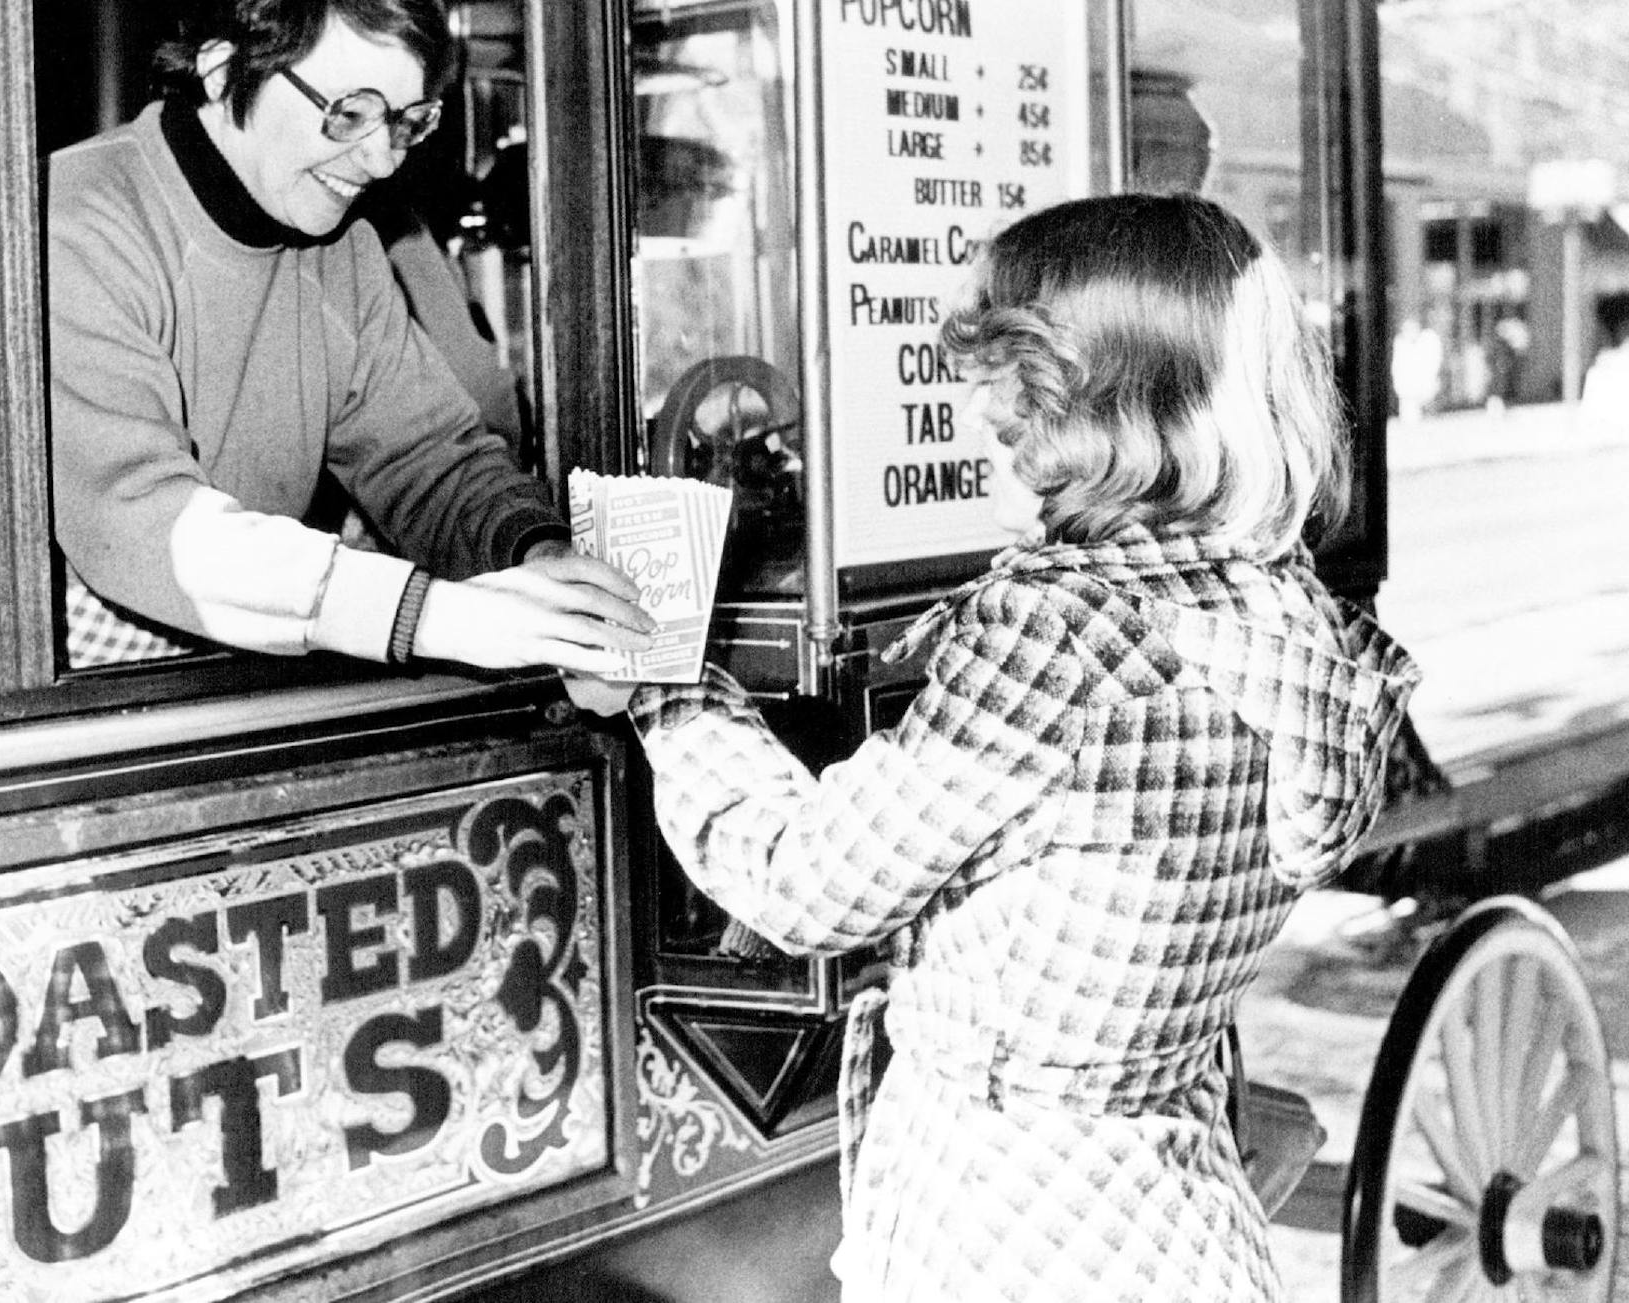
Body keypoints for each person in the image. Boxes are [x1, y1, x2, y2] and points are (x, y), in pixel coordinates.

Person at [586, 195, 1418, 1302]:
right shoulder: (1292, 619)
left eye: (1009, 372)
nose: (979, 408)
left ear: (1099, 392)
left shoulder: (1059, 629)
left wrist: (667, 694)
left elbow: (803, 883)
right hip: (1181, 1222)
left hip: (1007, 1228)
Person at [48, 0, 650, 673]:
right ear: (224, 68)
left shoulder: (344, 247)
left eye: (405, 121)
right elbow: (138, 519)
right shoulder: (78, 219)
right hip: (61, 693)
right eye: (349, 114)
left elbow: (430, 460)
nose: (383, 159)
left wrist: (540, 557)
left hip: (242, 662)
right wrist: (432, 615)